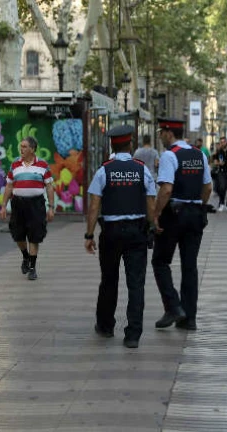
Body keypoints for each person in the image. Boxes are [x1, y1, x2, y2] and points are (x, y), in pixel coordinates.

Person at [85, 125, 156, 349]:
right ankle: (133, 335)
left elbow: (94, 205)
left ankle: (105, 326)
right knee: (136, 284)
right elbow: (150, 202)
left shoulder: (103, 170)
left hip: (111, 233)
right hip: (136, 232)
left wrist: (89, 234)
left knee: (109, 280)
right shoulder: (142, 169)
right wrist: (152, 227)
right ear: (130, 144)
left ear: (112, 145)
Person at [152, 117, 213, 331]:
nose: (160, 137)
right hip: (195, 214)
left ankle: (173, 307)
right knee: (189, 266)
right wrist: (199, 207)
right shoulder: (199, 154)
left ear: (169, 133)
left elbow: (166, 189)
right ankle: (189, 318)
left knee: (160, 261)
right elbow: (208, 187)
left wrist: (156, 213)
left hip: (173, 214)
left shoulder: (169, 155)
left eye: (161, 133)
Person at [0, 137, 55, 281]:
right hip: (18, 204)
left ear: (32, 149)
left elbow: (49, 187)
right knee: (18, 235)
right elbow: (9, 186)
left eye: (24, 146)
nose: (21, 149)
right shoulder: (15, 164)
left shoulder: (42, 165)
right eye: (21, 146)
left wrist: (51, 207)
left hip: (36, 204)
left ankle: (32, 268)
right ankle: (25, 256)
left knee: (34, 235)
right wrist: (3, 205)